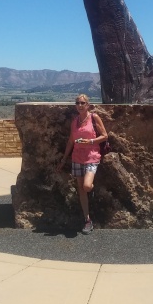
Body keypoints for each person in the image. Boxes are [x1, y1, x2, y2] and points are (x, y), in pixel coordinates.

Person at [58, 94, 107, 234]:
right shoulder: (75, 121)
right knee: (80, 189)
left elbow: (105, 136)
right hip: (77, 158)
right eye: (77, 103)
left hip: (91, 156)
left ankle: (91, 188)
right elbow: (70, 141)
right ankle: (87, 220)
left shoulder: (94, 117)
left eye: (82, 103)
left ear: (88, 105)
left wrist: (90, 142)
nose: (80, 105)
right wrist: (63, 159)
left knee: (86, 186)